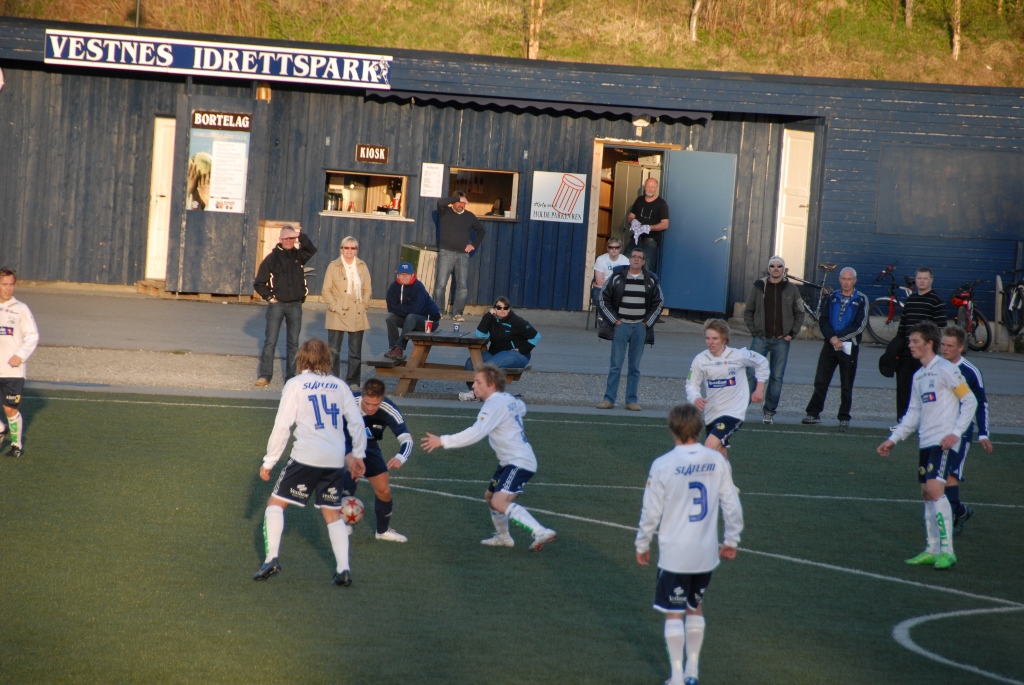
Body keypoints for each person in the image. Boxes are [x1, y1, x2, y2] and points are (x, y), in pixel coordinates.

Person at [635, 403, 743, 685]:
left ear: (672, 429)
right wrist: (731, 539)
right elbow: (731, 503)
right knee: (695, 606)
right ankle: (693, 671)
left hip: (675, 554)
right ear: (698, 428)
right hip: (705, 553)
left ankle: (677, 676)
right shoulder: (717, 460)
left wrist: (642, 543)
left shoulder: (663, 464)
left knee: (675, 610)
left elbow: (651, 511)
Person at [254, 339, 367, 586]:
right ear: (328, 359)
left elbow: (282, 425)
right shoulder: (340, 386)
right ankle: (344, 570)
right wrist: (358, 455)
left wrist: (270, 460)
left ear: (301, 359)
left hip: (306, 456)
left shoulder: (295, 384)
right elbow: (357, 423)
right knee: (332, 514)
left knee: (275, 503)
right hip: (334, 459)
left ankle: (271, 558)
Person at [421, 364, 556, 551]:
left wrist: (443, 440)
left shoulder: (493, 404)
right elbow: (521, 407)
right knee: (490, 496)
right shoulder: (507, 399)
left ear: (491, 385)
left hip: (519, 461)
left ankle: (540, 531)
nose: (474, 386)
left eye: (478, 382)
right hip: (509, 461)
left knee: (499, 502)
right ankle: (503, 537)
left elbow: (476, 432)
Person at [878, 323, 976, 570]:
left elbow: (969, 400)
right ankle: (932, 549)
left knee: (934, 489)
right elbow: (913, 413)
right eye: (910, 341)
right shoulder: (919, 376)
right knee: (926, 493)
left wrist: (955, 433)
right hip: (926, 441)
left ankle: (948, 551)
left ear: (928, 343)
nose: (910, 345)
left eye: (914, 341)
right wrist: (893, 439)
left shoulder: (946, 370)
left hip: (943, 442)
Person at [342, 378, 413, 542]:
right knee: (353, 466)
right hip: (344, 442)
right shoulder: (347, 402)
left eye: (376, 404)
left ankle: (382, 531)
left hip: (369, 446)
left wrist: (400, 457)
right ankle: (342, 520)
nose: (371, 408)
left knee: (384, 490)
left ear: (382, 400)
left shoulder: (389, 409)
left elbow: (407, 439)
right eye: (367, 403)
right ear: (363, 396)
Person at [685, 319, 768, 458]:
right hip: (712, 413)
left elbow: (761, 361)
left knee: (710, 445)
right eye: (707, 338)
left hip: (733, 412)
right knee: (719, 451)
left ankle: (712, 479)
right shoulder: (700, 359)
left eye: (715, 338)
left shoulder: (737, 355)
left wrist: (759, 388)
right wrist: (695, 397)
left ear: (724, 339)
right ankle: (726, 479)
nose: (710, 342)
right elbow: (691, 383)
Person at [939, 325, 992, 535]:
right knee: (935, 481)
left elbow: (981, 403)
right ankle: (960, 511)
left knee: (950, 476)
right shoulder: (936, 367)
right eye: (942, 344)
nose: (945, 349)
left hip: (960, 433)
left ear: (961, 347)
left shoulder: (970, 371)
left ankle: (948, 524)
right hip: (938, 431)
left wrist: (983, 433)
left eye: (950, 345)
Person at [596, 248, 664, 411]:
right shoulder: (617, 277)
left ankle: (631, 400)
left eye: (640, 257)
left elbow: (659, 302)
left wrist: (647, 323)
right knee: (615, 365)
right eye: (633, 256)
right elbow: (602, 299)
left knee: (634, 367)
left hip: (640, 327)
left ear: (643, 261)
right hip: (621, 326)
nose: (636, 259)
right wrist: (615, 321)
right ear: (629, 259)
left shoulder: (651, 280)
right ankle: (608, 399)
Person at [802, 267, 868, 428]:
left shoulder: (861, 299)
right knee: (821, 380)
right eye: (843, 279)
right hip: (830, 345)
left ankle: (844, 416)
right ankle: (813, 413)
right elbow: (823, 320)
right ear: (839, 280)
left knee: (846, 383)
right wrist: (832, 338)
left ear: (855, 281)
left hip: (848, 346)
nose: (846, 282)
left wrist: (840, 338)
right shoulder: (831, 297)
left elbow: (860, 325)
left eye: (849, 279)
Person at [743, 255, 805, 425]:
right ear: (768, 268)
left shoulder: (792, 289)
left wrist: (791, 333)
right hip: (761, 339)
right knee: (750, 374)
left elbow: (800, 312)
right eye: (772, 266)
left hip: (781, 341)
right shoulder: (759, 286)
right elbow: (748, 311)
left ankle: (769, 412)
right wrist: (754, 331)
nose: (775, 268)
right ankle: (741, 409)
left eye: (779, 266)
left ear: (783, 269)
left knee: (776, 377)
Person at [253, 226, 316, 386]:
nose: (289, 241)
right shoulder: (271, 258)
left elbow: (311, 248)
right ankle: (265, 375)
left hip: (295, 305)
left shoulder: (299, 256)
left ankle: (291, 377)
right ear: (280, 239)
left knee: (293, 343)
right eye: (286, 238)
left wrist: (299, 234)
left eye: (292, 238)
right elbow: (259, 283)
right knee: (270, 342)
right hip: (277, 306)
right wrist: (269, 297)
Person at [458, 296, 540, 402]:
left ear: (509, 309)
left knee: (489, 366)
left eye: (505, 308)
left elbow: (536, 337)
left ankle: (476, 394)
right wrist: (488, 315)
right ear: (494, 309)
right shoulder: (491, 320)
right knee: (471, 362)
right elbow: (480, 334)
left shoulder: (517, 321)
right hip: (495, 353)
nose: (502, 310)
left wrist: (522, 350)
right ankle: (474, 390)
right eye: (499, 307)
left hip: (516, 355)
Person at [895, 267, 947, 421]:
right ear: (915, 280)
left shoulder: (936, 301)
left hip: (925, 354)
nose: (922, 281)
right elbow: (903, 325)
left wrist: (933, 351)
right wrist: (898, 346)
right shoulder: (910, 299)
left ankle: (925, 420)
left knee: (925, 389)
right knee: (904, 387)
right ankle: (902, 419)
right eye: (919, 278)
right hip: (907, 351)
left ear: (931, 280)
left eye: (925, 278)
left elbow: (940, 328)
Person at [322, 236, 372, 391]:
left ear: (356, 250)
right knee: (333, 350)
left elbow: (367, 289)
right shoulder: (333, 266)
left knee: (355, 351)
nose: (350, 251)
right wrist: (335, 306)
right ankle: (333, 380)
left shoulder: (362, 266)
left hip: (357, 311)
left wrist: (364, 305)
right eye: (346, 248)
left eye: (353, 248)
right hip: (338, 311)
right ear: (341, 249)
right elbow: (326, 290)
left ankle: (353, 381)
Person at [0, 269, 39, 458]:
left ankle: (16, 445)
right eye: (4, 284)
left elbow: (33, 336)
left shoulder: (21, 309)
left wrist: (20, 355)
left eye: (11, 284)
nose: (8, 288)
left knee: (10, 408)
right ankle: (0, 429)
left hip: (12, 370)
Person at [434, 192, 486, 322]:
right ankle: (439, 311)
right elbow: (440, 203)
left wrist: (473, 245)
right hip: (446, 252)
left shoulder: (469, 216)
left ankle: (457, 313)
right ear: (453, 202)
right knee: (440, 284)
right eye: (459, 202)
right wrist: (457, 197)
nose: (461, 205)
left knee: (462, 286)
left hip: (463, 255)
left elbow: (481, 231)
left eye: (463, 203)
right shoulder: (445, 212)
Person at [384, 262, 440, 361]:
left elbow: (416, 310)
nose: (404, 277)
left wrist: (399, 308)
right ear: (398, 275)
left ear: (412, 275)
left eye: (407, 274)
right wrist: (406, 308)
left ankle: (399, 348)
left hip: (429, 321)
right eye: (402, 274)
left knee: (411, 316)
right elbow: (391, 308)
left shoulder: (418, 287)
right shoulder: (393, 287)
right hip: (409, 320)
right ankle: (394, 348)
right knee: (390, 317)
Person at [624, 178, 669, 273]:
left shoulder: (661, 204)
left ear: (656, 188)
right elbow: (630, 216)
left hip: (650, 241)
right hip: (636, 239)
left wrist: (649, 228)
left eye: (652, 187)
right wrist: (633, 222)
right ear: (645, 187)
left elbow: (665, 224)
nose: (650, 189)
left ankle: (646, 287)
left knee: (647, 268)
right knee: (624, 262)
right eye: (648, 186)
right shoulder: (639, 200)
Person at [592, 238, 629, 323]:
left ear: (620, 248)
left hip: (618, 289)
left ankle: (607, 321)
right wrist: (615, 283)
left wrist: (607, 282)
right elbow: (599, 281)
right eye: (611, 247)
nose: (614, 249)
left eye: (616, 247)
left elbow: (626, 280)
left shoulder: (626, 261)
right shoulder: (601, 259)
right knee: (598, 295)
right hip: (604, 288)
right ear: (607, 248)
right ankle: (610, 320)